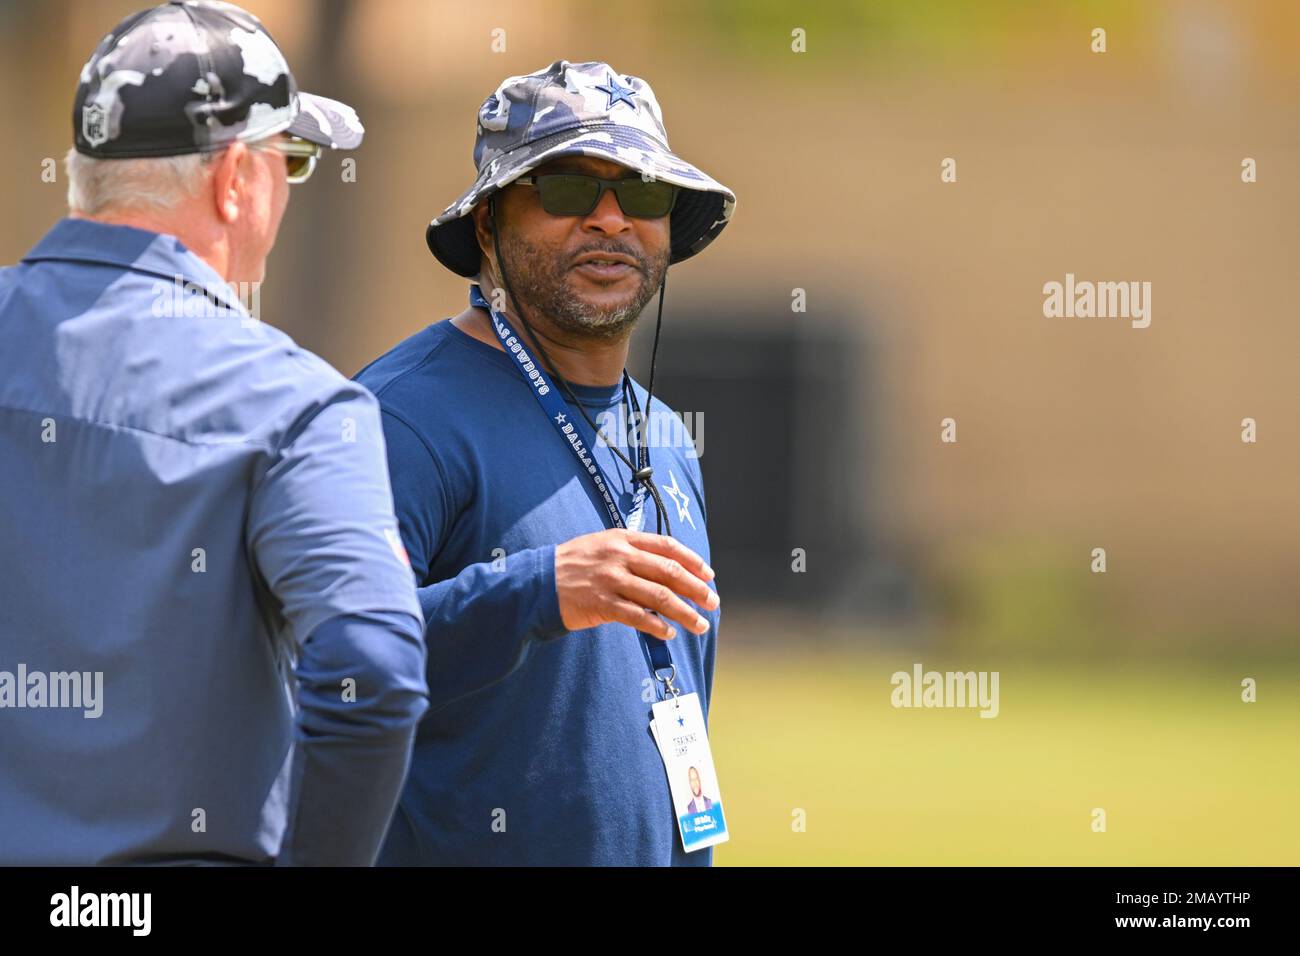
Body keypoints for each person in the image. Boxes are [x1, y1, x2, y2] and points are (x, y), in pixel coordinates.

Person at [0, 0, 427, 866]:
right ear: (235, 178)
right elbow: (373, 665)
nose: (287, 190)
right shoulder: (296, 403)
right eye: (289, 159)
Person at [356, 59, 736, 866]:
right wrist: (537, 591)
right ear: (487, 225)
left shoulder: (666, 435)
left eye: (642, 193)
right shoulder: (399, 418)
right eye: (567, 189)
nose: (610, 220)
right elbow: (328, 662)